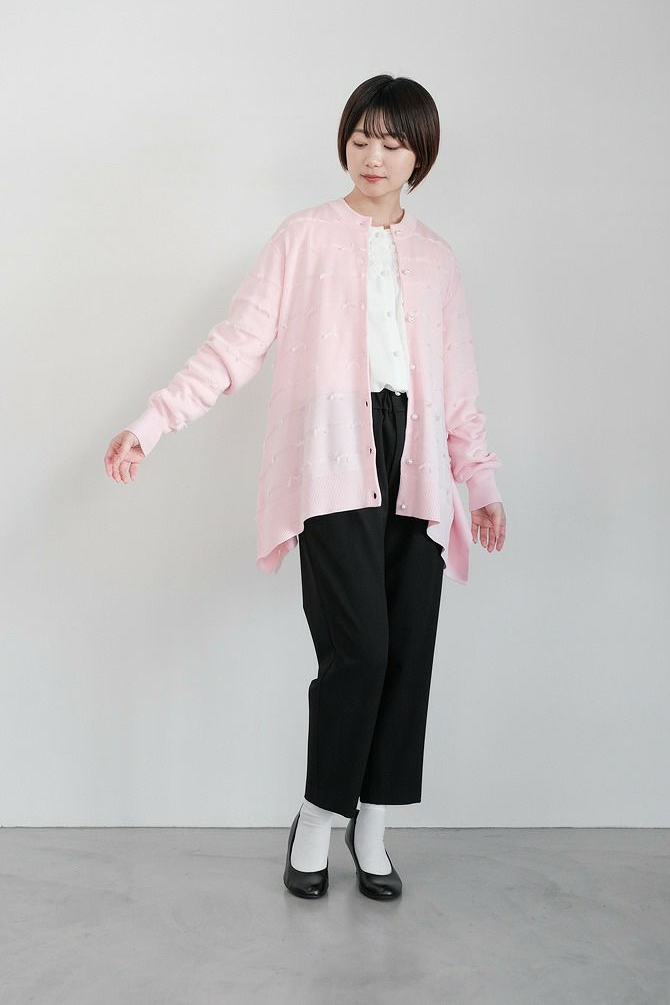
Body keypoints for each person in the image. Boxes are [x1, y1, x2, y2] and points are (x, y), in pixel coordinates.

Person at [104, 74, 507, 902]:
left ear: (420, 156)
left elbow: (459, 386)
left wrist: (482, 483)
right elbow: (235, 345)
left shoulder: (437, 259)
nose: (372, 155)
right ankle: (320, 817)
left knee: (407, 654)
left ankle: (375, 828)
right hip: (333, 458)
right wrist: (152, 422)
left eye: (391, 142)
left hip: (418, 463)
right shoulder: (304, 238)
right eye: (360, 138)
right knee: (358, 652)